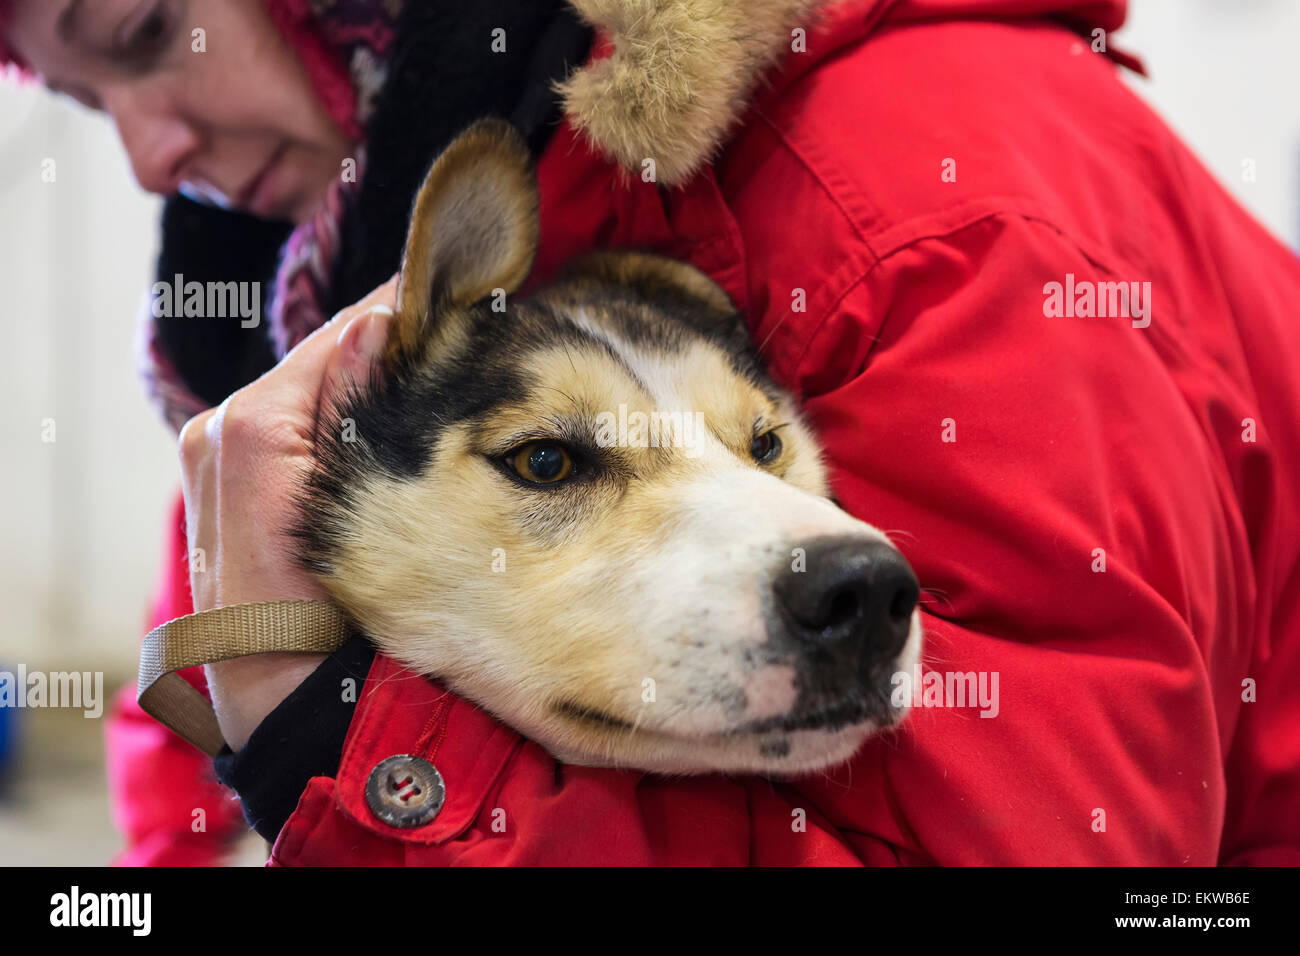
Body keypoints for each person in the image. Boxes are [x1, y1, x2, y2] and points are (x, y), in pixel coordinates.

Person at [4, 0, 1298, 865]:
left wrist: (342, 744)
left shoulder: (928, 197)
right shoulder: (359, 289)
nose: (143, 157)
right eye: (79, 101)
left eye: (143, 29)